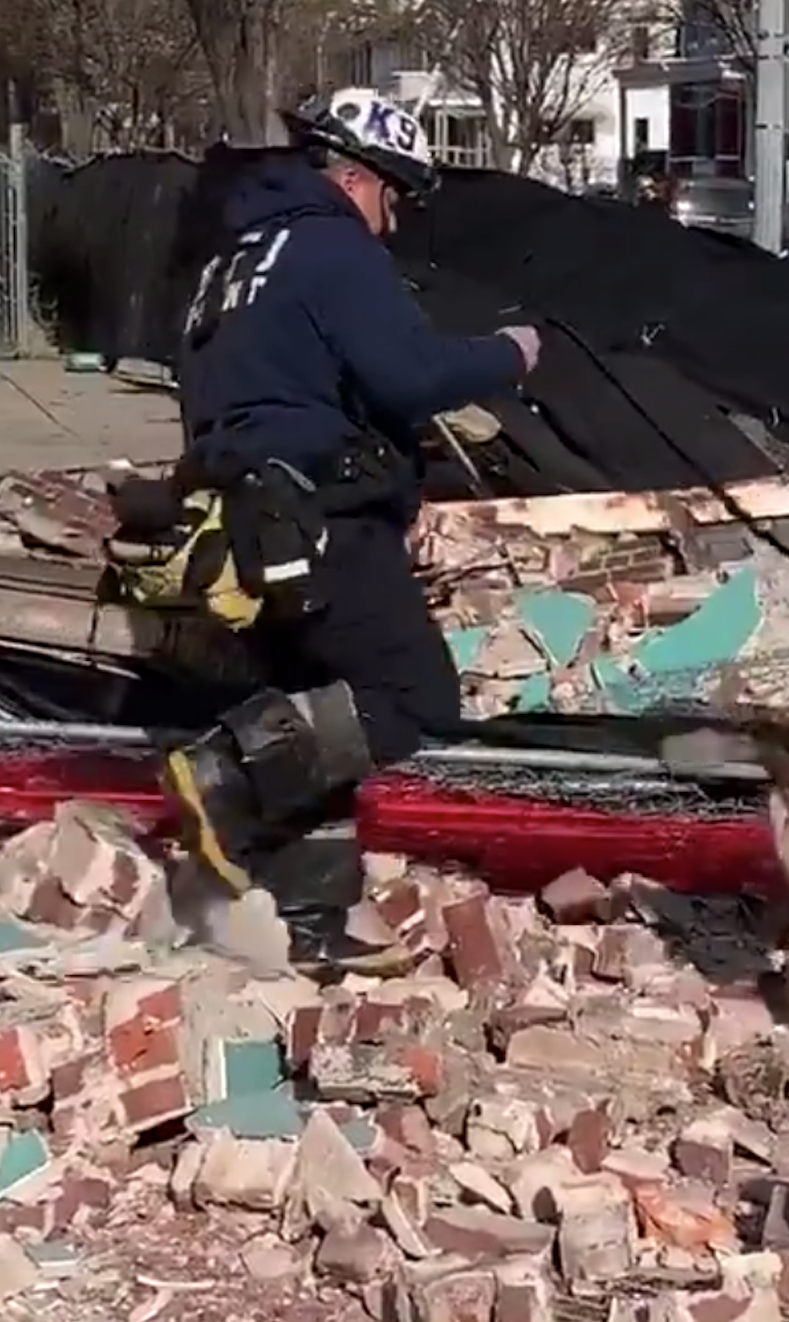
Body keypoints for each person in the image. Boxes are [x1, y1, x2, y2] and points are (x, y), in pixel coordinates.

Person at [143, 87, 540, 932]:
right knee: (413, 697)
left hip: (251, 521)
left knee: (318, 717)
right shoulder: (331, 247)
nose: (392, 226)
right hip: (324, 512)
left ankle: (312, 924)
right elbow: (411, 376)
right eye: (393, 199)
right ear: (358, 178)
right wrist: (510, 353)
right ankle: (220, 773)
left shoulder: (233, 262)